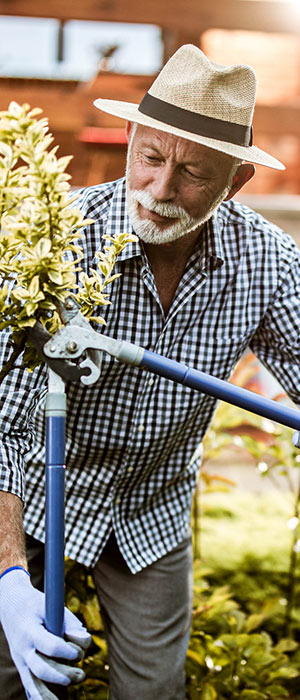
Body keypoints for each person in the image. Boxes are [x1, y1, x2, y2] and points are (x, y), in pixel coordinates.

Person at [0, 43, 299, 700]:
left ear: (236, 181)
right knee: (10, 676)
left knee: (154, 691)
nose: (161, 190)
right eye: (152, 158)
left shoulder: (269, 262)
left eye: (194, 172)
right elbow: (3, 425)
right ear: (131, 139)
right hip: (31, 495)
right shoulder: (56, 239)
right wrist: (7, 582)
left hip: (150, 505)